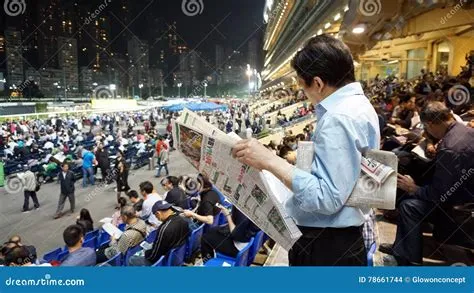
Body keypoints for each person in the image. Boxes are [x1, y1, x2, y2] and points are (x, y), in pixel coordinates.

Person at [232, 35, 380, 266]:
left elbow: (327, 198)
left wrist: (270, 160)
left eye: (303, 86)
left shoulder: (338, 118)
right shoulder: (360, 106)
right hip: (341, 242)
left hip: (325, 248)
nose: (304, 95)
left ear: (318, 83)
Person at [380, 102, 474, 265]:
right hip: (465, 193)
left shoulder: (450, 147)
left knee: (409, 206)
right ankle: (401, 248)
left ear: (430, 124)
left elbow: (440, 194)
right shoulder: (465, 131)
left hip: (459, 207)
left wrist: (413, 188)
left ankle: (408, 259)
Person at [128, 200, 190, 266]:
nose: (157, 219)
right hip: (178, 255)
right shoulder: (183, 218)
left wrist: (146, 253)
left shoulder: (164, 228)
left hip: (165, 259)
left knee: (132, 260)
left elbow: (153, 256)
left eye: (156, 216)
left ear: (158, 213)